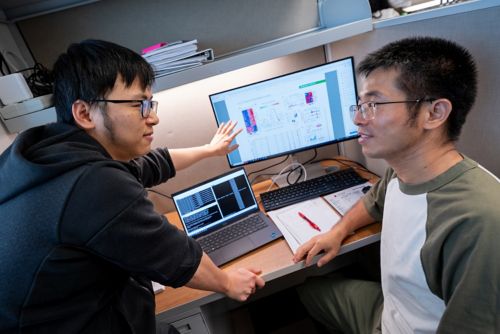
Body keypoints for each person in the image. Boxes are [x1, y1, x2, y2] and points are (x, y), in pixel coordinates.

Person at [0, 39, 264, 334]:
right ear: (85, 113)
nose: (153, 116)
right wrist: (229, 283)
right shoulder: (94, 185)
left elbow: (151, 165)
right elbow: (180, 259)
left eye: (151, 103)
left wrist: (209, 149)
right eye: (139, 104)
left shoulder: (48, 154)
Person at [293, 36, 500, 333]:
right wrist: (337, 232)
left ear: (434, 113)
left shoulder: (479, 222)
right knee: (309, 291)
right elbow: (372, 203)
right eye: (360, 105)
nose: (357, 119)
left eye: (374, 104)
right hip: (390, 311)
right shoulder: (402, 171)